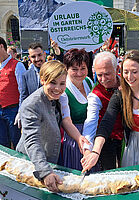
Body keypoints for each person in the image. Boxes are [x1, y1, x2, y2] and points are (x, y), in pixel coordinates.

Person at [81, 50, 139, 172]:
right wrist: (95, 152)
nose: (129, 77)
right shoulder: (120, 95)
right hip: (132, 147)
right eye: (125, 72)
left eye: (134, 72)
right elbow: (106, 123)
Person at [16, 60, 89, 192]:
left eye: (62, 83)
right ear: (43, 80)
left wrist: (79, 137)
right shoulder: (32, 105)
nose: (57, 88)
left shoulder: (60, 97)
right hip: (32, 161)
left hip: (49, 156)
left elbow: (66, 121)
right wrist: (44, 171)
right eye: (53, 83)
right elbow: (32, 141)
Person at [82, 51, 124, 171]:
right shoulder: (95, 94)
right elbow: (90, 121)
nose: (103, 79)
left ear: (117, 68)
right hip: (106, 141)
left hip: (128, 138)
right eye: (99, 75)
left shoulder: (127, 83)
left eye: (107, 74)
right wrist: (87, 149)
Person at [61, 48, 94, 170]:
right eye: (74, 69)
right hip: (74, 136)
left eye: (83, 68)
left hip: (91, 133)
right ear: (66, 69)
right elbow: (66, 121)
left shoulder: (88, 81)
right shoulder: (64, 89)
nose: (79, 73)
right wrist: (79, 138)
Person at [0, 37, 26, 149]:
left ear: (1, 47)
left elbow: (23, 90)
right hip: (0, 111)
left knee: (17, 143)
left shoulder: (17, 65)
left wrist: (21, 111)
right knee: (2, 144)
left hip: (13, 110)